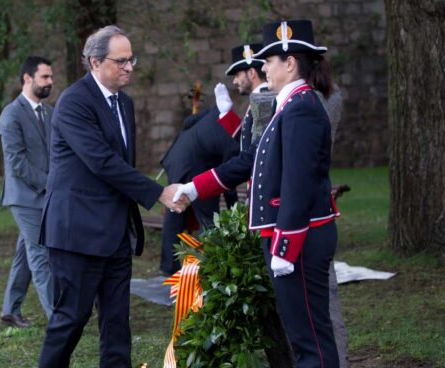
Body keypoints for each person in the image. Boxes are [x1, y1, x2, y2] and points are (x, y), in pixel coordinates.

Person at [174, 20, 341, 367]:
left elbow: (298, 183)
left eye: (268, 61)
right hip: (292, 237)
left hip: (299, 239)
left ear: (290, 63)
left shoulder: (302, 108)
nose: (262, 67)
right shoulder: (290, 105)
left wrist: (285, 246)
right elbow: (251, 160)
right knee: (303, 336)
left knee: (310, 338)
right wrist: (193, 187)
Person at [37, 25, 185, 368]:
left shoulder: (124, 103)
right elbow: (102, 162)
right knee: (71, 319)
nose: (129, 67)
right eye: (121, 61)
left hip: (116, 231)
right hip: (77, 233)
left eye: (131, 59)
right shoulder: (75, 102)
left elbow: (120, 163)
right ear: (94, 62)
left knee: (118, 322)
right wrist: (158, 192)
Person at [158, 43, 268, 276]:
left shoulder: (265, 99)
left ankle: (212, 264)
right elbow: (249, 147)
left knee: (201, 215)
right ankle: (193, 266)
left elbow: (249, 154)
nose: (235, 81)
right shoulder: (258, 101)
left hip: (193, 165)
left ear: (251, 72)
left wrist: (233, 209)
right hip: (191, 164)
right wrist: (227, 116)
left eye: (238, 74)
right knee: (185, 214)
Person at [0, 56, 55, 328]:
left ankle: (10, 308)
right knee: (40, 253)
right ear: (27, 79)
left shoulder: (50, 112)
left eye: (51, 77)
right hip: (23, 198)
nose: (50, 82)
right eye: (45, 77)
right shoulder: (10, 115)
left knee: (26, 251)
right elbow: (17, 163)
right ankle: (58, 318)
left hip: (45, 196)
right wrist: (48, 183)